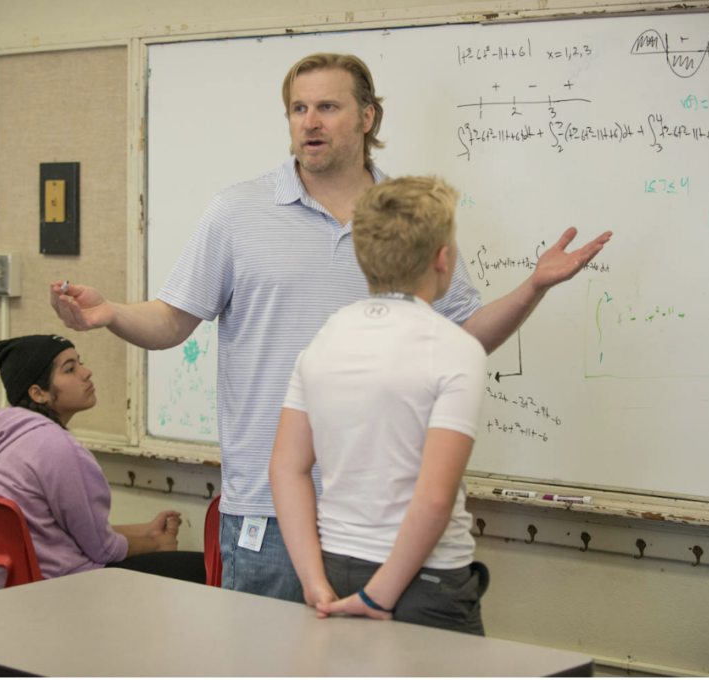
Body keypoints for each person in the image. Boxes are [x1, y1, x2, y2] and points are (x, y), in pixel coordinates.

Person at [50, 53, 611, 602]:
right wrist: (111, 314)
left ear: (367, 117)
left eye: (327, 106)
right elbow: (173, 321)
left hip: (384, 513)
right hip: (268, 512)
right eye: (297, 108)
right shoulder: (237, 211)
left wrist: (533, 287)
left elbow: (460, 337)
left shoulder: (405, 214)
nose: (309, 121)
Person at [270, 175, 489, 635]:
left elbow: (286, 469)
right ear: (442, 259)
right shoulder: (455, 347)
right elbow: (433, 498)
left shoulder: (326, 336)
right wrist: (379, 595)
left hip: (334, 569)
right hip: (424, 583)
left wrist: (313, 581)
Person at [0, 334, 205, 589]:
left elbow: (66, 533)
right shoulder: (57, 446)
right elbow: (104, 551)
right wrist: (158, 545)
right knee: (206, 570)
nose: (86, 373)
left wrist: (146, 531)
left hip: (8, 589)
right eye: (70, 369)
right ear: (38, 393)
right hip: (63, 590)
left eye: (80, 363)